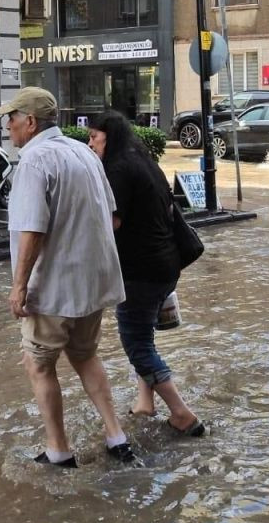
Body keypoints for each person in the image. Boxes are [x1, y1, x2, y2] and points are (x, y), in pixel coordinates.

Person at [0, 87, 135, 468]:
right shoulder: (83, 152)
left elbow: (32, 230)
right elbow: (109, 215)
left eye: (11, 118)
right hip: (92, 283)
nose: (7, 126)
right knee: (85, 355)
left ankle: (58, 450)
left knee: (38, 364)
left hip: (55, 287)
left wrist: (19, 287)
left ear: (29, 122)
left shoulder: (34, 162)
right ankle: (116, 437)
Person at [87, 111, 205, 437]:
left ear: (108, 137)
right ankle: (145, 403)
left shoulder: (117, 169)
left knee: (137, 345)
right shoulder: (143, 159)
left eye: (94, 137)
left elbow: (112, 222)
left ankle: (181, 413)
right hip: (167, 265)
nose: (90, 143)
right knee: (144, 335)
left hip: (139, 271)